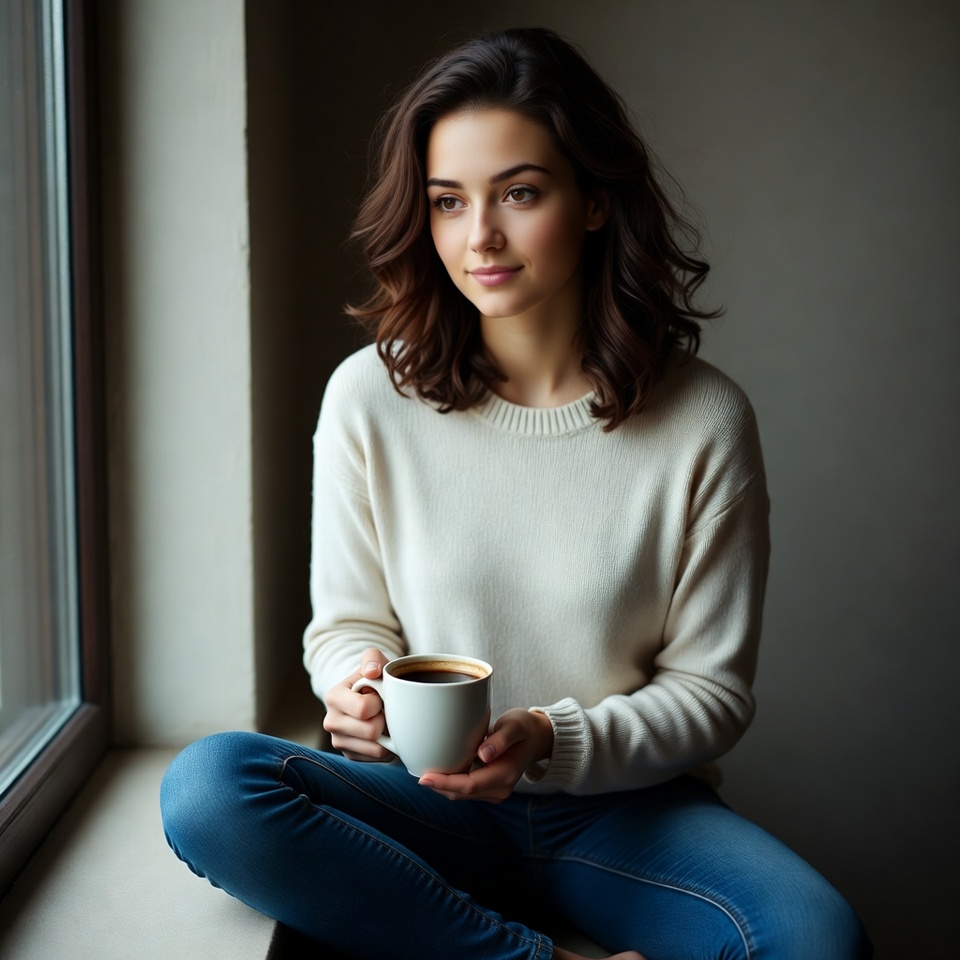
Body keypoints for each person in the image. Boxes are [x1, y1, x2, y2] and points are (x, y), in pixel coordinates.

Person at [160, 27, 871, 960]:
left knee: (817, 939)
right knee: (210, 788)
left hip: (623, 819)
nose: (479, 237)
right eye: (448, 202)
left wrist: (549, 737)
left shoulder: (705, 420)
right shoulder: (369, 395)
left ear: (594, 201)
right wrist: (353, 687)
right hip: (422, 799)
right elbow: (346, 624)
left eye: (520, 193)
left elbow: (711, 692)